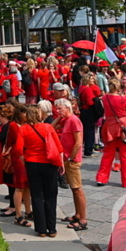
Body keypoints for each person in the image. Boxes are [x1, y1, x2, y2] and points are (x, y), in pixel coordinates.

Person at [22, 105, 65, 237]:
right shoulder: (48, 127)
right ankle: (51, 229)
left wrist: (24, 158)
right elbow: (59, 148)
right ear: (40, 115)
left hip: (32, 163)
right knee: (51, 196)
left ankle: (41, 229)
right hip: (49, 164)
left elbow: (18, 149)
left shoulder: (23, 129)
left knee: (37, 196)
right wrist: (61, 164)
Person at [54, 98, 87, 231]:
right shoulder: (66, 120)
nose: (57, 111)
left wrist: (71, 158)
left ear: (68, 108)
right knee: (74, 189)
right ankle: (77, 214)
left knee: (77, 189)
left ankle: (83, 219)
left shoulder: (73, 120)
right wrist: (59, 118)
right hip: (67, 159)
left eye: (60, 108)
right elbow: (50, 128)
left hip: (72, 160)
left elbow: (78, 142)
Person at [97, 81, 126, 187]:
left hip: (109, 126)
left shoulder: (105, 98)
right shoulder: (122, 98)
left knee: (108, 154)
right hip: (124, 125)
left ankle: (101, 178)